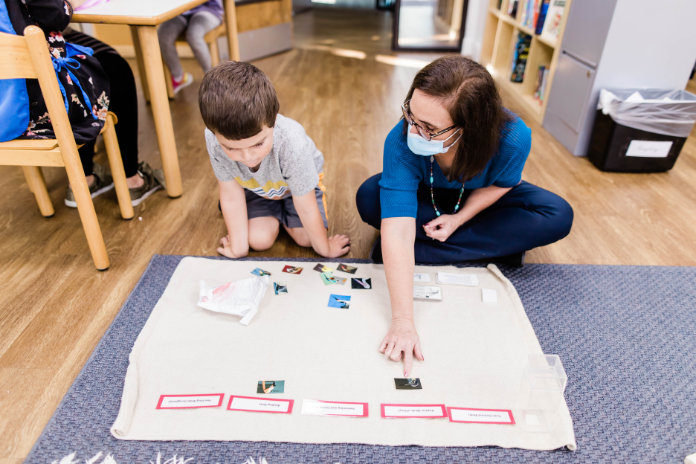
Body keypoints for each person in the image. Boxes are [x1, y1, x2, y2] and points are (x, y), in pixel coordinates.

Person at [355, 56, 573, 377]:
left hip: (476, 199)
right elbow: (399, 228)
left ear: (470, 127)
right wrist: (403, 321)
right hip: (426, 196)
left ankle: (421, 250)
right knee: (369, 197)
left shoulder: (514, 137)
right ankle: (498, 248)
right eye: (410, 115)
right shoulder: (402, 139)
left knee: (557, 214)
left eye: (429, 127)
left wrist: (460, 218)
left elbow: (504, 185)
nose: (414, 130)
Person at [4, 0, 164, 207]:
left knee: (88, 58)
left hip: (7, 109)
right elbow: (55, 13)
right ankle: (130, 179)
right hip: (39, 108)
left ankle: (85, 177)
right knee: (115, 70)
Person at [199, 61, 350, 259]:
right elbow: (230, 196)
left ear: (274, 120)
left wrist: (326, 249)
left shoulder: (292, 143)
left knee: (307, 239)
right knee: (258, 240)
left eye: (258, 144)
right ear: (213, 133)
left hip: (296, 190)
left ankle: (281, 215)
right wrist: (238, 248)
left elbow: (305, 204)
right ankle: (276, 216)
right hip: (256, 188)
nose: (248, 157)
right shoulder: (213, 139)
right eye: (231, 148)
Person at [158, 0, 224, 95]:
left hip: (208, 8)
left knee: (194, 35)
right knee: (163, 35)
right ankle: (178, 77)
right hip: (179, 11)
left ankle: (212, 80)